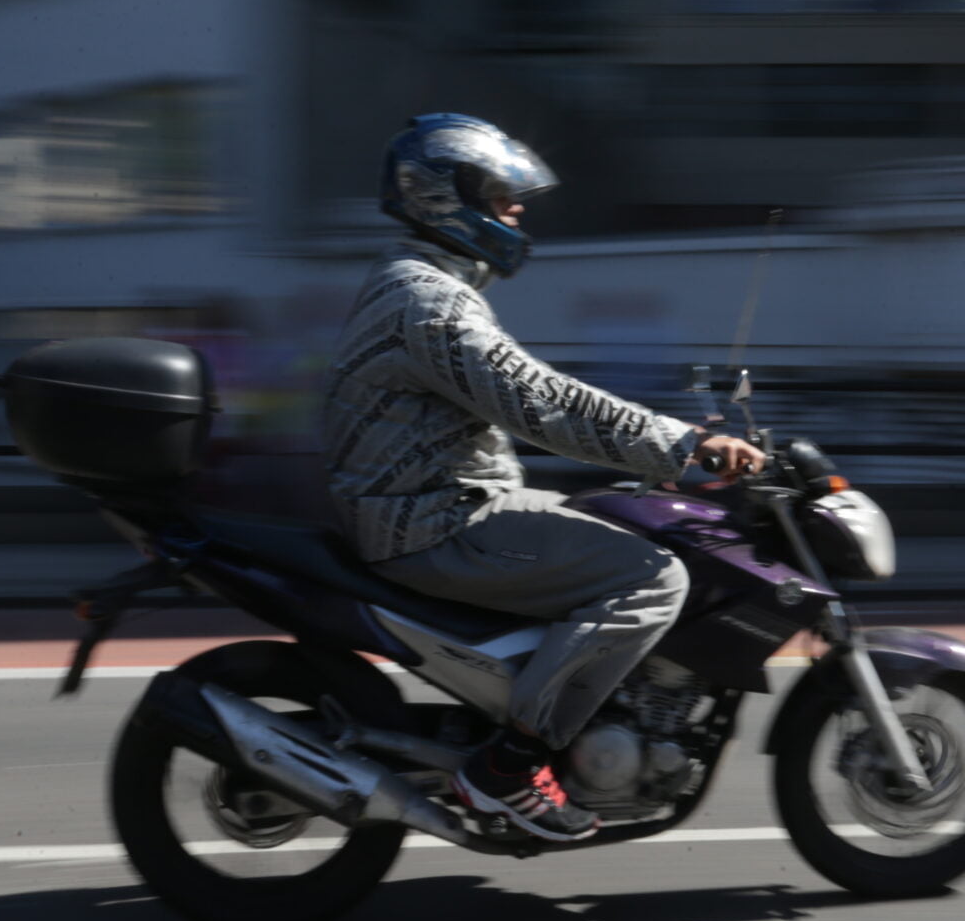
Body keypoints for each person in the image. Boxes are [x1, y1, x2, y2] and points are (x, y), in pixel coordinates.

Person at [323, 113, 764, 842]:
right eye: (500, 195)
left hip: (433, 501)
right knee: (654, 577)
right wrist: (687, 444)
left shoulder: (420, 284)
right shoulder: (428, 303)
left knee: (621, 516)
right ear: (444, 198)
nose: (516, 210)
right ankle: (509, 765)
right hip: (432, 519)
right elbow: (541, 401)